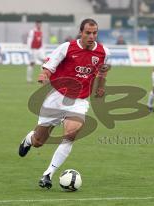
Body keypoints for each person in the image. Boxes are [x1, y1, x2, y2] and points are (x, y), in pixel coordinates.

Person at [18, 18, 111, 189]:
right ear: (81, 33)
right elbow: (49, 66)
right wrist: (44, 75)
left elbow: (103, 72)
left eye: (94, 33)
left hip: (79, 101)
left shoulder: (103, 52)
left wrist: (100, 88)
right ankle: (29, 139)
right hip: (56, 98)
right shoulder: (67, 47)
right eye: (88, 33)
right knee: (39, 141)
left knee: (70, 134)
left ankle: (48, 174)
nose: (92, 36)